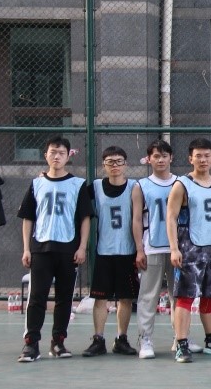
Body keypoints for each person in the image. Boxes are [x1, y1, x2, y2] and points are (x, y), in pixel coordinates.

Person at [17, 136, 91, 362]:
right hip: (41, 248)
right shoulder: (36, 184)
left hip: (68, 249)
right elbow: (28, 218)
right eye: (53, 152)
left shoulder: (78, 184)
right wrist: (26, 249)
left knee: (64, 298)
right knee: (37, 297)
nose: (57, 156)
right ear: (46, 155)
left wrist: (82, 247)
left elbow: (85, 218)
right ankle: (31, 344)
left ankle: (58, 342)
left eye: (61, 153)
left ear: (68, 156)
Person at [166, 138, 211, 363]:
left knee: (210, 295)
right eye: (198, 156)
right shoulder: (182, 184)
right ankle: (181, 343)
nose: (203, 159)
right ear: (190, 158)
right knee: (185, 296)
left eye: (207, 155)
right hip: (190, 247)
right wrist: (174, 248)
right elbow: (171, 217)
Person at [81, 146, 139, 357]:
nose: (115, 165)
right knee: (100, 298)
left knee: (125, 298)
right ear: (103, 165)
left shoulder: (134, 187)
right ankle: (98, 339)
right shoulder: (95, 187)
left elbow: (138, 219)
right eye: (110, 162)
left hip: (127, 251)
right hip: (104, 251)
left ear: (126, 164)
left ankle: (121, 339)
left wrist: (140, 249)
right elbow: (76, 199)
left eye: (119, 161)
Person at [131, 139, 178, 359]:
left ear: (171, 158)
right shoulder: (141, 185)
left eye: (164, 156)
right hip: (152, 246)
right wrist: (139, 249)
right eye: (156, 156)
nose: (160, 160)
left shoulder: (181, 183)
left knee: (178, 295)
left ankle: (181, 337)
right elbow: (136, 219)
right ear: (148, 159)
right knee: (148, 296)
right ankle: (145, 339)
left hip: (177, 248)